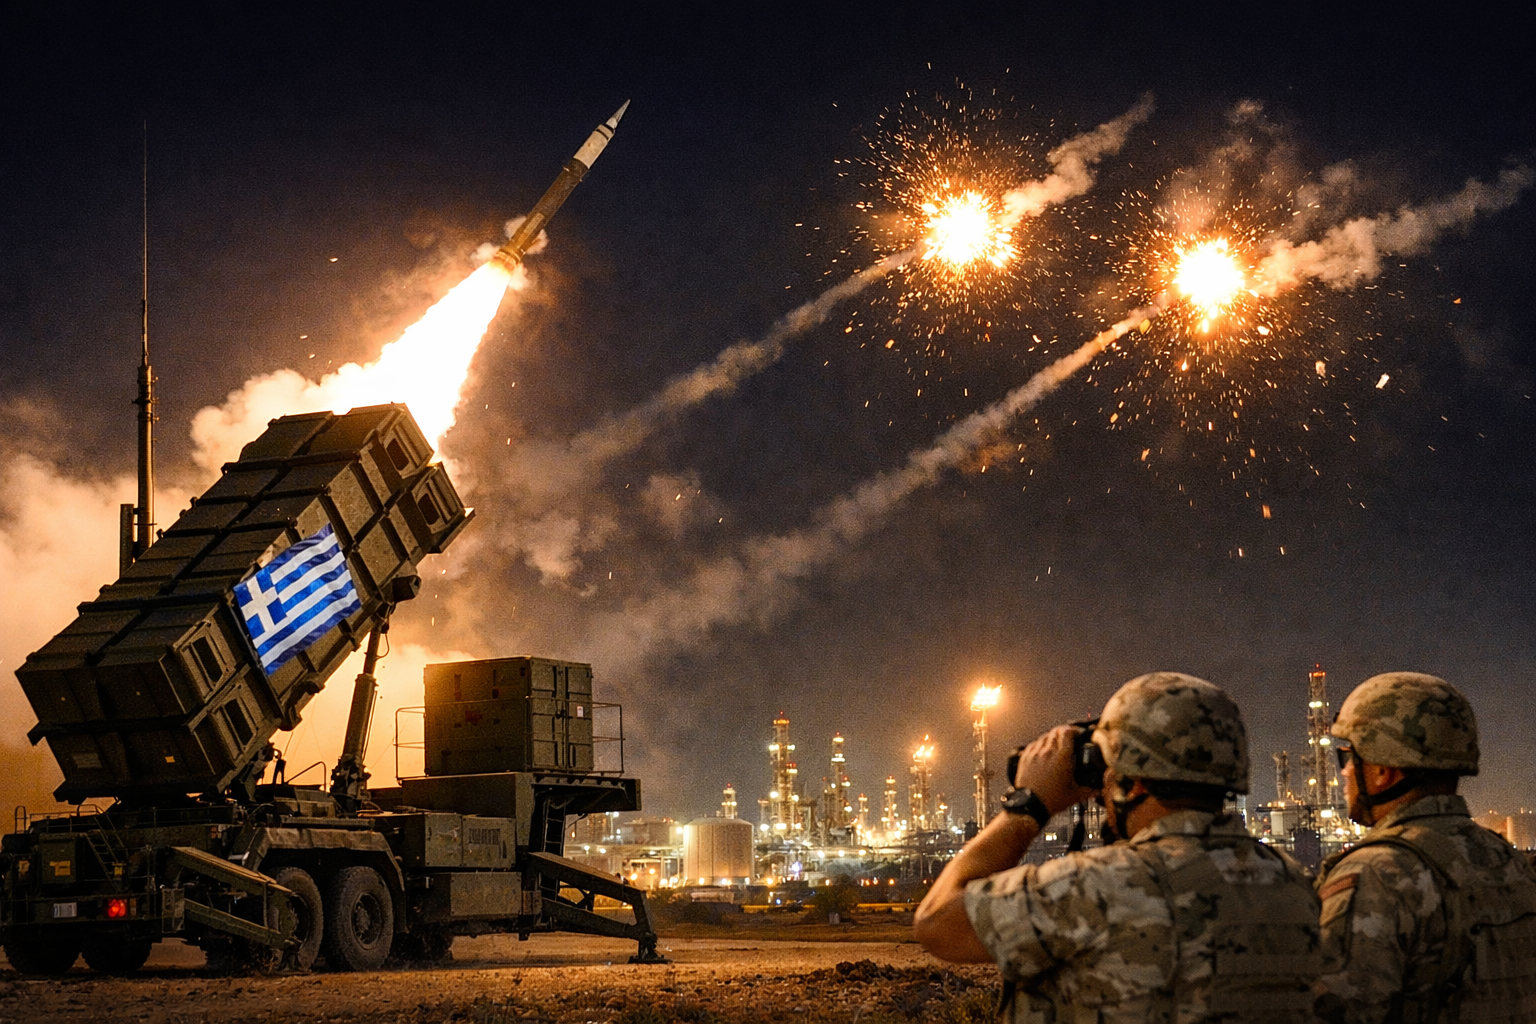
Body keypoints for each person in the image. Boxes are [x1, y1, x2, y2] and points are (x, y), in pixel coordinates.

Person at [916, 672, 1321, 1022]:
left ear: (1135, 781)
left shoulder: (1100, 887)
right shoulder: (1294, 888)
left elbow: (937, 922)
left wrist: (1028, 806)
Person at [1313, 672, 1536, 1023]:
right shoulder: (1510, 863)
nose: (1344, 773)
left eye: (1350, 759)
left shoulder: (1377, 875)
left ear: (1384, 769)